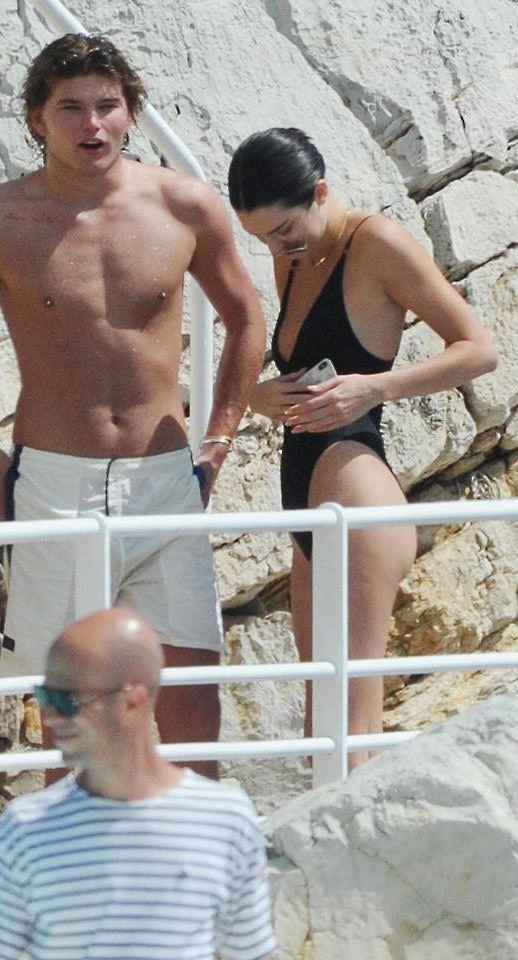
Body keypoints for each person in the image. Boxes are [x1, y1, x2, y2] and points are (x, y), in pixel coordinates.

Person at [0, 34, 266, 779]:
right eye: (70, 108)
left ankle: (196, 848)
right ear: (37, 119)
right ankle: (77, 851)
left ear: (130, 113)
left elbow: (247, 320)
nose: (92, 124)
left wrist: (219, 440)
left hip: (164, 478)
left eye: (107, 105)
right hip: (53, 482)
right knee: (72, 706)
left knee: (190, 697)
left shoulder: (184, 204)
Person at [227, 128, 497, 769]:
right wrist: (260, 396)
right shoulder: (295, 254)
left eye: (284, 230)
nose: (276, 248)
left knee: (349, 725)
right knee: (322, 723)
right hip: (310, 492)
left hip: (357, 492)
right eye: (262, 238)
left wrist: (372, 388)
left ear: (321, 192)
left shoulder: (376, 242)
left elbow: (479, 350)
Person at [0, 607, 277, 960]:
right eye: (45, 697)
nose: (51, 717)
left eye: (68, 700)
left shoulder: (224, 819)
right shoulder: (25, 827)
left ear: (133, 698)